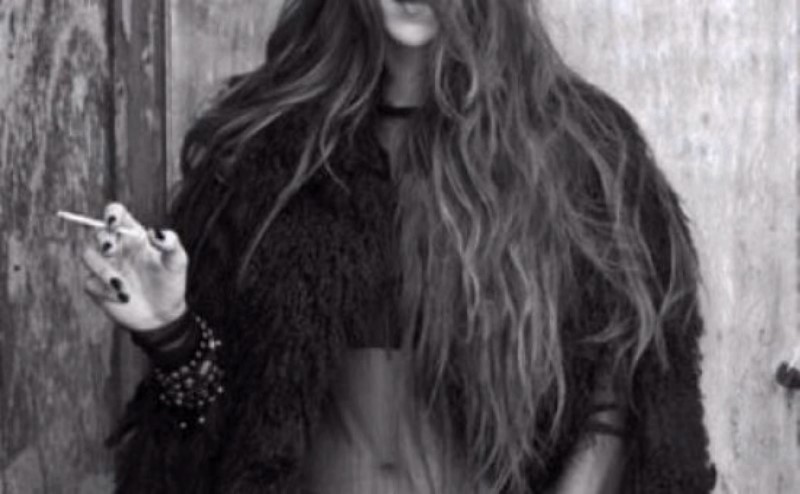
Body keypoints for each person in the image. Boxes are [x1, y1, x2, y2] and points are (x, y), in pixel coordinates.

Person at [81, 0, 717, 492]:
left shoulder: (576, 151)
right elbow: (210, 432)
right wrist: (171, 333)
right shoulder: (262, 154)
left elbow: (631, 392)